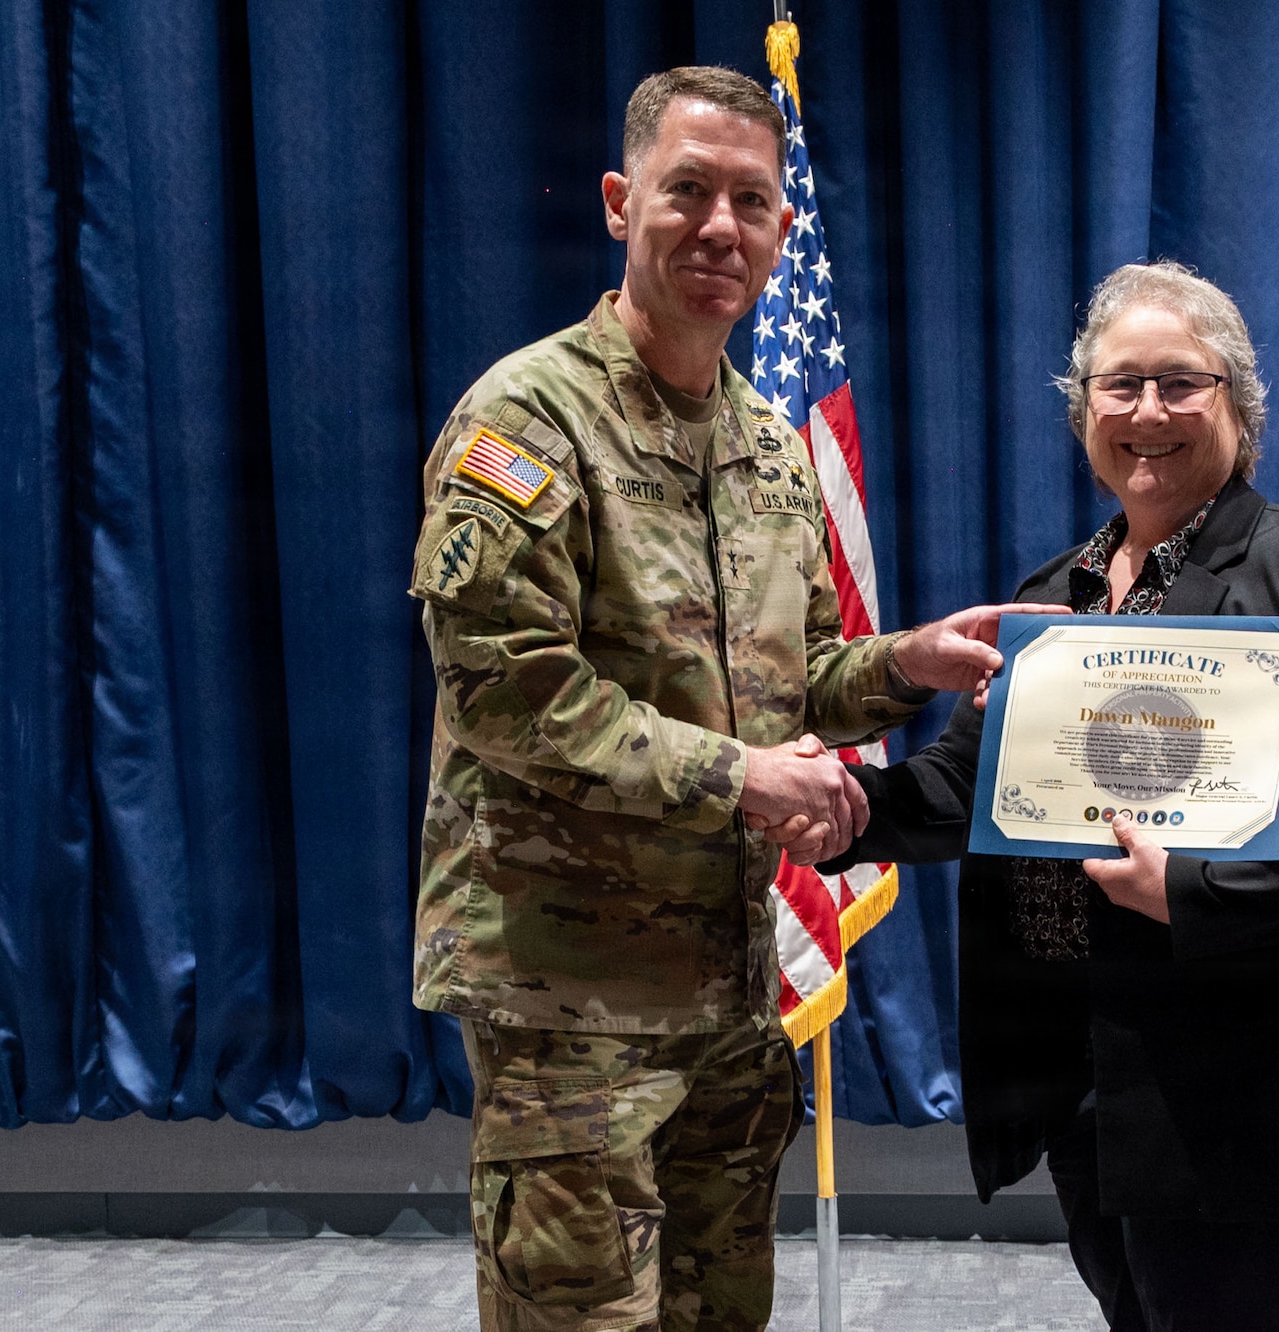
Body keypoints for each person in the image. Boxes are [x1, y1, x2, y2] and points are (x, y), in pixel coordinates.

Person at [408, 66, 1051, 1332]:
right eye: (687, 191)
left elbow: (795, 678)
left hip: (728, 986)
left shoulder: (763, 442)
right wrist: (742, 778)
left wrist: (906, 662)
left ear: (779, 227)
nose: (720, 228)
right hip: (568, 998)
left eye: (750, 202)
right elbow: (505, 689)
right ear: (619, 202)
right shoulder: (528, 419)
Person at [805, 261, 1279, 1332]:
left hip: (1241, 1070)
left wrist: (1197, 891)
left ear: (1235, 404)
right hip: (1078, 1061)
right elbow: (968, 787)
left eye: (1180, 384)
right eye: (1120, 385)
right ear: (1083, 410)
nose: (1147, 412)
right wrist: (848, 807)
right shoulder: (1054, 592)